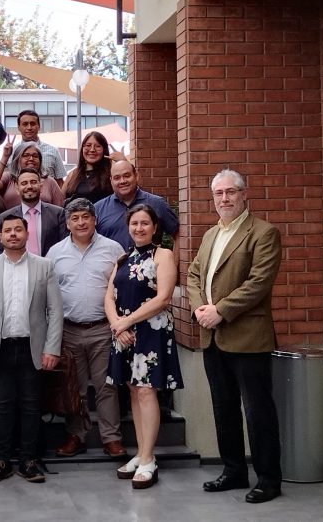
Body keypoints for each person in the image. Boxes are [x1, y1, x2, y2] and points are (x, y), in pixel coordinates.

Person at [187, 169, 283, 504]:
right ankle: (233, 471)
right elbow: (195, 273)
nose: (224, 199)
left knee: (258, 412)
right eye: (218, 194)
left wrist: (221, 310)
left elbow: (259, 283)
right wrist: (200, 308)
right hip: (213, 337)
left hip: (247, 337)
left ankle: (269, 479)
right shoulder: (212, 234)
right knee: (223, 408)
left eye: (231, 192)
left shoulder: (264, 233)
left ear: (244, 194)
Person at [0, 215, 63, 484]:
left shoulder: (44, 266)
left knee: (32, 406)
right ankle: (1, 460)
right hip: (0, 349)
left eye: (18, 229)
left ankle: (29, 460)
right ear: (0, 236)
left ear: (26, 233)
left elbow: (55, 311)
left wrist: (52, 348)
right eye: (7, 230)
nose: (12, 234)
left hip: (33, 347)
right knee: (3, 406)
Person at [105, 204, 183, 490]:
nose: (139, 228)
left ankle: (149, 459)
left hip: (151, 332)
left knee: (148, 392)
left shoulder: (163, 255)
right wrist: (117, 325)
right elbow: (109, 297)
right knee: (134, 391)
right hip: (125, 334)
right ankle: (140, 453)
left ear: (154, 227)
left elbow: (163, 298)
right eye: (134, 223)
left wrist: (126, 322)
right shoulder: (123, 258)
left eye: (144, 223)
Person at [46, 198, 127, 459]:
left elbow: (121, 289)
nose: (80, 222)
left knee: (107, 387)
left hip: (103, 329)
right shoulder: (55, 253)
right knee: (74, 388)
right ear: (68, 223)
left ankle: (111, 438)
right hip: (68, 331)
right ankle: (76, 436)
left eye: (85, 217)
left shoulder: (113, 249)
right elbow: (48, 295)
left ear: (95, 220)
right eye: (75, 218)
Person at [95, 160, 179, 250]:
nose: (122, 181)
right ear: (111, 181)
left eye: (126, 176)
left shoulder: (157, 204)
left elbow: (178, 235)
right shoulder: (98, 209)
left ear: (136, 176)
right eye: (117, 178)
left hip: (151, 263)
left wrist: (172, 262)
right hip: (111, 264)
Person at [0, 168, 68, 256]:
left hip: (51, 267)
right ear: (17, 189)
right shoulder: (5, 217)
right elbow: (0, 251)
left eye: (33, 182)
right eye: (24, 183)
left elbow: (65, 247)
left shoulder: (58, 213)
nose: (29, 186)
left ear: (41, 187)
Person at [0, 137, 65, 208]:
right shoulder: (9, 178)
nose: (31, 159)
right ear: (18, 160)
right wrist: (5, 157)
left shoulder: (50, 181)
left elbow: (60, 210)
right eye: (26, 155)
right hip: (12, 220)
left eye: (35, 156)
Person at [11, 110, 67, 185]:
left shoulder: (53, 151)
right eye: (25, 124)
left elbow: (60, 183)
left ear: (39, 126)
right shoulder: (11, 152)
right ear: (19, 127)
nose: (29, 127)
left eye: (33, 124)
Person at [62, 131, 117, 204]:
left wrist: (123, 161)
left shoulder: (112, 172)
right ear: (82, 149)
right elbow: (61, 200)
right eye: (88, 145)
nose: (92, 150)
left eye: (97, 146)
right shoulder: (73, 174)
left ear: (104, 150)